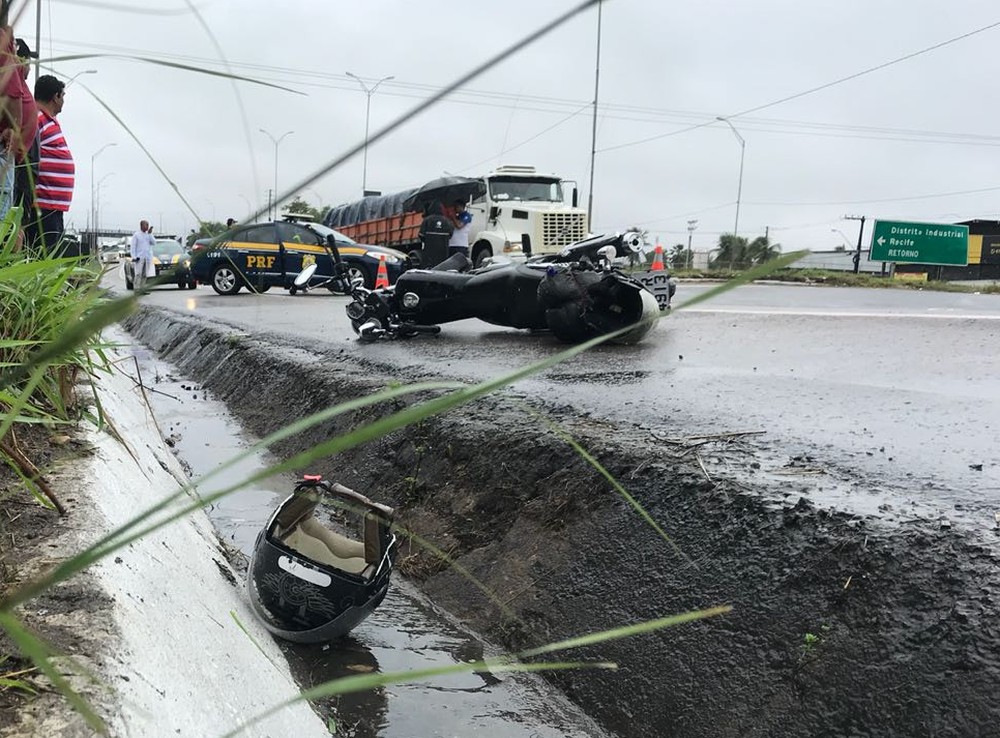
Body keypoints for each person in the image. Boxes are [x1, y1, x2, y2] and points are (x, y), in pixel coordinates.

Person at [0, 5, 38, 227]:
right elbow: (12, 92)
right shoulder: (3, 43)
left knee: (11, 223)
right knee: (6, 224)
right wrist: (14, 127)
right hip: (6, 151)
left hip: (11, 155)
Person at [27, 75, 73, 255]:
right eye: (63, 95)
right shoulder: (36, 119)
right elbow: (27, 157)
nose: (63, 101)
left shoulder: (47, 120)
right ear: (55, 97)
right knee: (43, 255)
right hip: (42, 205)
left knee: (51, 254)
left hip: (52, 205)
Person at [417, 200, 452, 267]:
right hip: (443, 251)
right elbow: (450, 235)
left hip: (430, 250)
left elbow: (421, 235)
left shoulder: (427, 220)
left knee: (429, 267)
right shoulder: (447, 221)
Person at [129, 219, 155, 291]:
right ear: (141, 226)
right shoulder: (136, 235)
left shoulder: (148, 235)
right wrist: (134, 256)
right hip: (139, 258)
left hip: (147, 257)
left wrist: (150, 234)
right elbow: (133, 247)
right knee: (138, 274)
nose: (147, 227)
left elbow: (154, 243)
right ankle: (137, 288)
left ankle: (142, 289)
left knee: (145, 274)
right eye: (146, 225)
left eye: (148, 225)